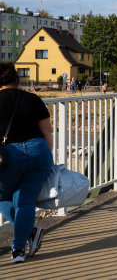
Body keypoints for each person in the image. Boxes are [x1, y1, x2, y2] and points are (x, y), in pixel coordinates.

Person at [0, 62, 54, 263]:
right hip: (38, 153)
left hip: (7, 156)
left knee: (3, 196)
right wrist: (47, 159)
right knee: (24, 202)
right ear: (16, 79)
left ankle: (30, 233)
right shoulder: (33, 98)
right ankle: (18, 251)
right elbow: (47, 131)